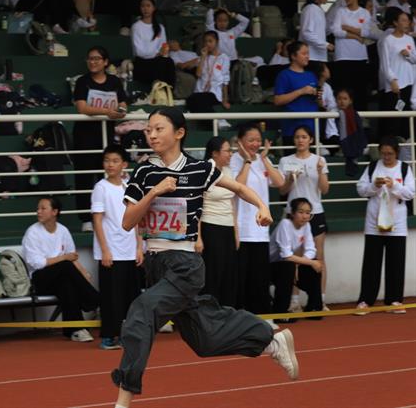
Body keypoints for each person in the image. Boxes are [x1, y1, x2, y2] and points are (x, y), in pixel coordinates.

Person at [112, 108, 298, 408]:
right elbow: (127, 221)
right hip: (156, 265)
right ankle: (270, 338)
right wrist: (154, 192)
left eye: (158, 129)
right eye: (148, 130)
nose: (152, 135)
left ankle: (122, 402)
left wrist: (262, 206)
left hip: (184, 265)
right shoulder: (144, 172)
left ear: (179, 133)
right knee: (205, 340)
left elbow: (238, 187)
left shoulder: (201, 169)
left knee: (140, 313)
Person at [22, 196, 100, 342]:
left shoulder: (63, 230)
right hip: (40, 279)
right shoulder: (32, 233)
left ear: (54, 212)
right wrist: (63, 258)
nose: (38, 211)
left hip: (61, 276)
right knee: (65, 266)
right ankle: (95, 300)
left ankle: (75, 330)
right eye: (38, 208)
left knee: (67, 285)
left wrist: (84, 273)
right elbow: (37, 263)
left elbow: (72, 257)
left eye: (43, 208)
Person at [355, 136, 414, 316]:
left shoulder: (404, 168)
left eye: (390, 154)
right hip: (374, 223)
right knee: (371, 263)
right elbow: (361, 189)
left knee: (396, 263)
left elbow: (410, 193)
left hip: (397, 224)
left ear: (397, 152)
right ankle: (366, 300)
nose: (386, 157)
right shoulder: (373, 167)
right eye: (383, 153)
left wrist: (394, 185)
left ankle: (394, 300)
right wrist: (375, 185)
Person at [92, 144, 143, 350]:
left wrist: (139, 247)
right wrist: (105, 250)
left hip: (129, 250)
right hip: (111, 252)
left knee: (130, 296)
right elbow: (97, 220)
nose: (110, 165)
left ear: (124, 164)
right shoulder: (101, 188)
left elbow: (137, 218)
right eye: (107, 161)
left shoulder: (129, 186)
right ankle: (108, 336)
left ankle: (127, 334)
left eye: (115, 161)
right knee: (111, 297)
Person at [230, 122, 284, 314]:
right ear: (240, 141)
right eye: (250, 140)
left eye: (258, 140)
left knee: (260, 277)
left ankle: (262, 316)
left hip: (261, 228)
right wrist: (247, 161)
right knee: (241, 277)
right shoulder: (234, 160)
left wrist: (264, 158)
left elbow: (279, 182)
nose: (255, 144)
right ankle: (240, 317)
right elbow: (237, 186)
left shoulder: (262, 160)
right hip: (242, 229)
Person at [73, 45, 126, 232]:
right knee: (84, 176)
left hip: (106, 135)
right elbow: (82, 108)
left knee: (105, 175)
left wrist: (120, 111)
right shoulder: (82, 81)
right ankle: (86, 219)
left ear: (105, 62)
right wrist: (106, 112)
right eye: (90, 58)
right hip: (84, 136)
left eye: (97, 58)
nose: (93, 62)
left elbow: (123, 104)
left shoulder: (114, 82)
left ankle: (107, 215)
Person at [278, 126, 330, 311]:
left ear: (311, 140)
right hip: (293, 213)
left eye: (304, 137)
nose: (300, 140)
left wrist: (320, 171)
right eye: (297, 137)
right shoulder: (285, 161)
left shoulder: (319, 160)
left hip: (315, 212)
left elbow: (325, 190)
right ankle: (294, 300)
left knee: (319, 255)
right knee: (294, 259)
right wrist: (291, 179)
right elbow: (282, 190)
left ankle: (320, 300)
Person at [197, 136, 238, 307]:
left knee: (228, 273)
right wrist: (198, 237)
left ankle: (226, 312)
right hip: (210, 227)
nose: (230, 154)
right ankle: (208, 313)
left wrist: (236, 232)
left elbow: (231, 203)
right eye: (227, 150)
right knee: (213, 273)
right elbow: (196, 205)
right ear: (214, 153)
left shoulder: (228, 171)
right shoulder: (204, 170)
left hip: (228, 227)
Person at [270, 198, 323, 322]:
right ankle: (280, 312)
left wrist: (300, 264)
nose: (305, 216)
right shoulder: (285, 224)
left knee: (314, 266)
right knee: (290, 266)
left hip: (288, 265)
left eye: (308, 213)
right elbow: (286, 255)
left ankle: (314, 308)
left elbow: (311, 250)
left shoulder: (306, 226)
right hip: (270, 267)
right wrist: (302, 263)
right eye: (301, 212)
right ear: (293, 213)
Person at [331, 0, 373, 111]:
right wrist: (355, 36)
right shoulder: (340, 11)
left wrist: (347, 27)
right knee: (343, 91)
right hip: (343, 56)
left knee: (360, 91)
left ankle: (361, 118)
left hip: (360, 57)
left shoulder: (364, 13)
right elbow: (335, 31)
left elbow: (366, 32)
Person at [274, 41, 320, 146]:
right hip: (292, 128)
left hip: (311, 127)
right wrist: (301, 91)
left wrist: (319, 96)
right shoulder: (284, 75)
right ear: (293, 56)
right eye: (304, 53)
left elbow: (318, 101)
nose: (307, 56)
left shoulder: (311, 75)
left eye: (308, 53)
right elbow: (277, 100)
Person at [378, 10, 415, 139]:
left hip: (408, 82)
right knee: (393, 116)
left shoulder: (409, 39)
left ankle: (405, 141)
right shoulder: (388, 40)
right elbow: (385, 64)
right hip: (394, 85)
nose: (406, 23)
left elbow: (414, 59)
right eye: (403, 20)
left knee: (405, 113)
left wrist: (408, 55)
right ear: (395, 22)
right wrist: (392, 80)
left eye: (408, 21)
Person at [131, 0, 176, 88]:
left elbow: (163, 47)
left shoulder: (160, 28)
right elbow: (139, 52)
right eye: (143, 6)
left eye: (148, 6)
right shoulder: (136, 27)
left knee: (169, 62)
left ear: (153, 8)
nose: (145, 9)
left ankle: (168, 91)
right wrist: (157, 53)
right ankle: (159, 90)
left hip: (157, 61)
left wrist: (160, 53)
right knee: (161, 64)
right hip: (142, 63)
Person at [185, 31, 230, 114]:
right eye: (205, 41)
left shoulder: (224, 58)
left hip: (214, 93)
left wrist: (225, 100)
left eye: (210, 41)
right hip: (200, 91)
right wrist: (203, 57)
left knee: (199, 100)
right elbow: (198, 74)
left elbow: (225, 80)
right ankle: (215, 119)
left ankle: (215, 119)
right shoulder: (202, 57)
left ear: (217, 42)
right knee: (191, 99)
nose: (207, 44)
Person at [299, 0, 333, 67]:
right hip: (311, 56)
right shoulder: (310, 9)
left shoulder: (319, 9)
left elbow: (321, 32)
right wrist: (325, 44)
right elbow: (306, 33)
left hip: (319, 56)